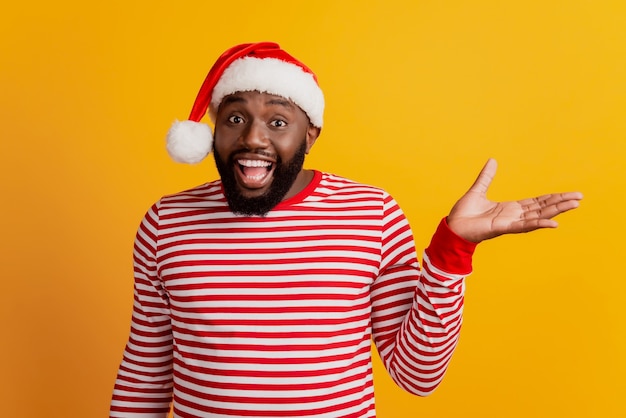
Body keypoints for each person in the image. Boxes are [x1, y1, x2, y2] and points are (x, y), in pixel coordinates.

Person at [110, 42, 582, 418]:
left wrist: (451, 251)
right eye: (235, 119)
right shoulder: (165, 223)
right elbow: (146, 373)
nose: (253, 138)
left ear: (310, 135)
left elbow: (416, 376)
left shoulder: (371, 214)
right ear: (213, 130)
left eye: (278, 121)